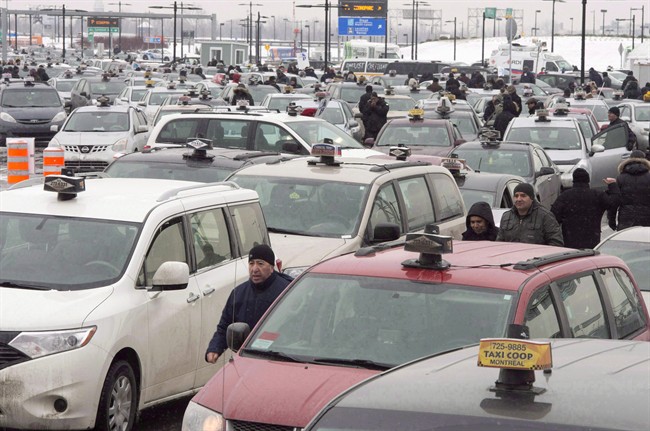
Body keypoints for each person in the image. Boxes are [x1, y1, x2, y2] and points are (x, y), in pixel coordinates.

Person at [205, 244, 293, 363]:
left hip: (281, 359)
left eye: (260, 264)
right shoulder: (239, 293)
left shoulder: (288, 292)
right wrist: (215, 349)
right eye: (251, 263)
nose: (254, 269)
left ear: (271, 267)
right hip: (247, 358)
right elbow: (225, 326)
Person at [550, 168, 620, 249]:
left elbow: (553, 217)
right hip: (592, 238)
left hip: (570, 239)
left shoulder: (565, 196)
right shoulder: (597, 195)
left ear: (574, 180)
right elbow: (613, 202)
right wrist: (612, 185)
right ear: (588, 180)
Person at [496, 183, 564, 246]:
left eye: (523, 196)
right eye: (516, 196)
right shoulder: (506, 216)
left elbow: (556, 243)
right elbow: (499, 243)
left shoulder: (545, 216)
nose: (519, 199)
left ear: (531, 198)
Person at [607, 150, 650, 231]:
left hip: (626, 218)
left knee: (626, 241)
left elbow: (614, 201)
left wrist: (611, 220)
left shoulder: (621, 178)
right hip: (647, 218)